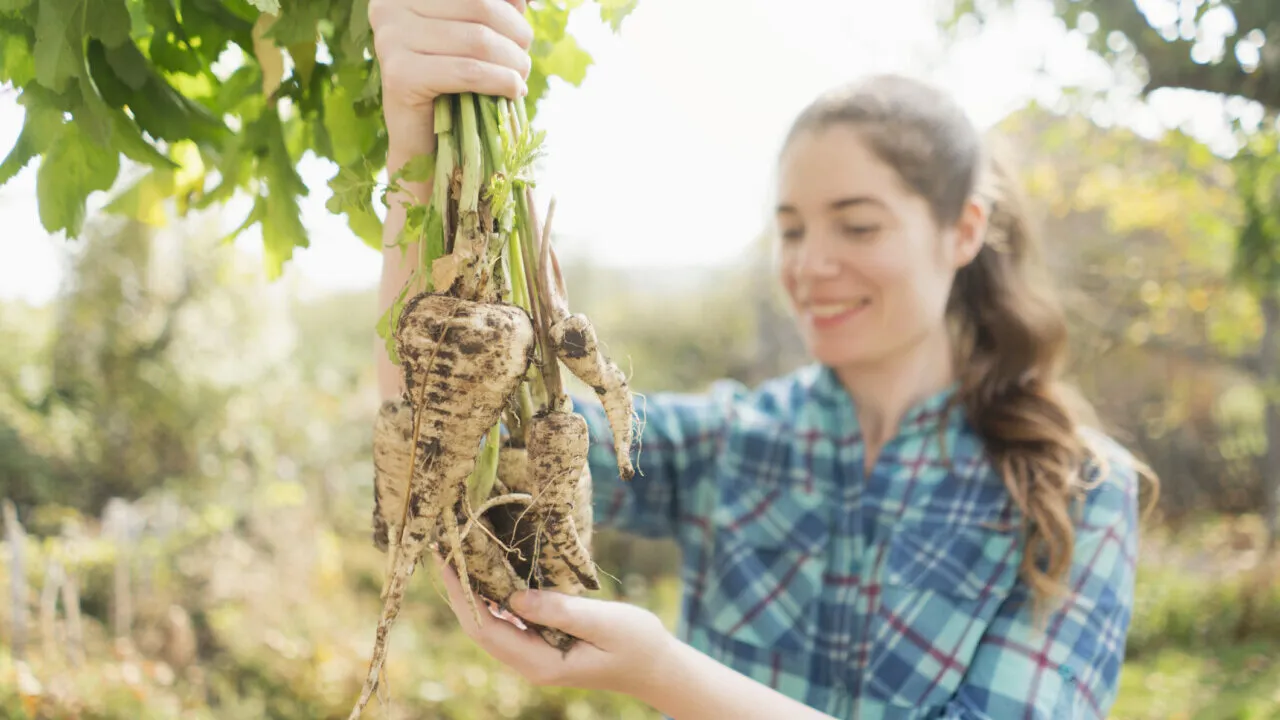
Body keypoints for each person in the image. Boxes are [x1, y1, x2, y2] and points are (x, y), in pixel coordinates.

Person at [368, 1, 1156, 718]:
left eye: (857, 226)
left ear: (963, 230)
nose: (811, 264)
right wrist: (414, 140)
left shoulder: (1075, 489)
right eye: (791, 229)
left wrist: (663, 673)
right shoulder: (734, 438)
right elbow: (451, 424)